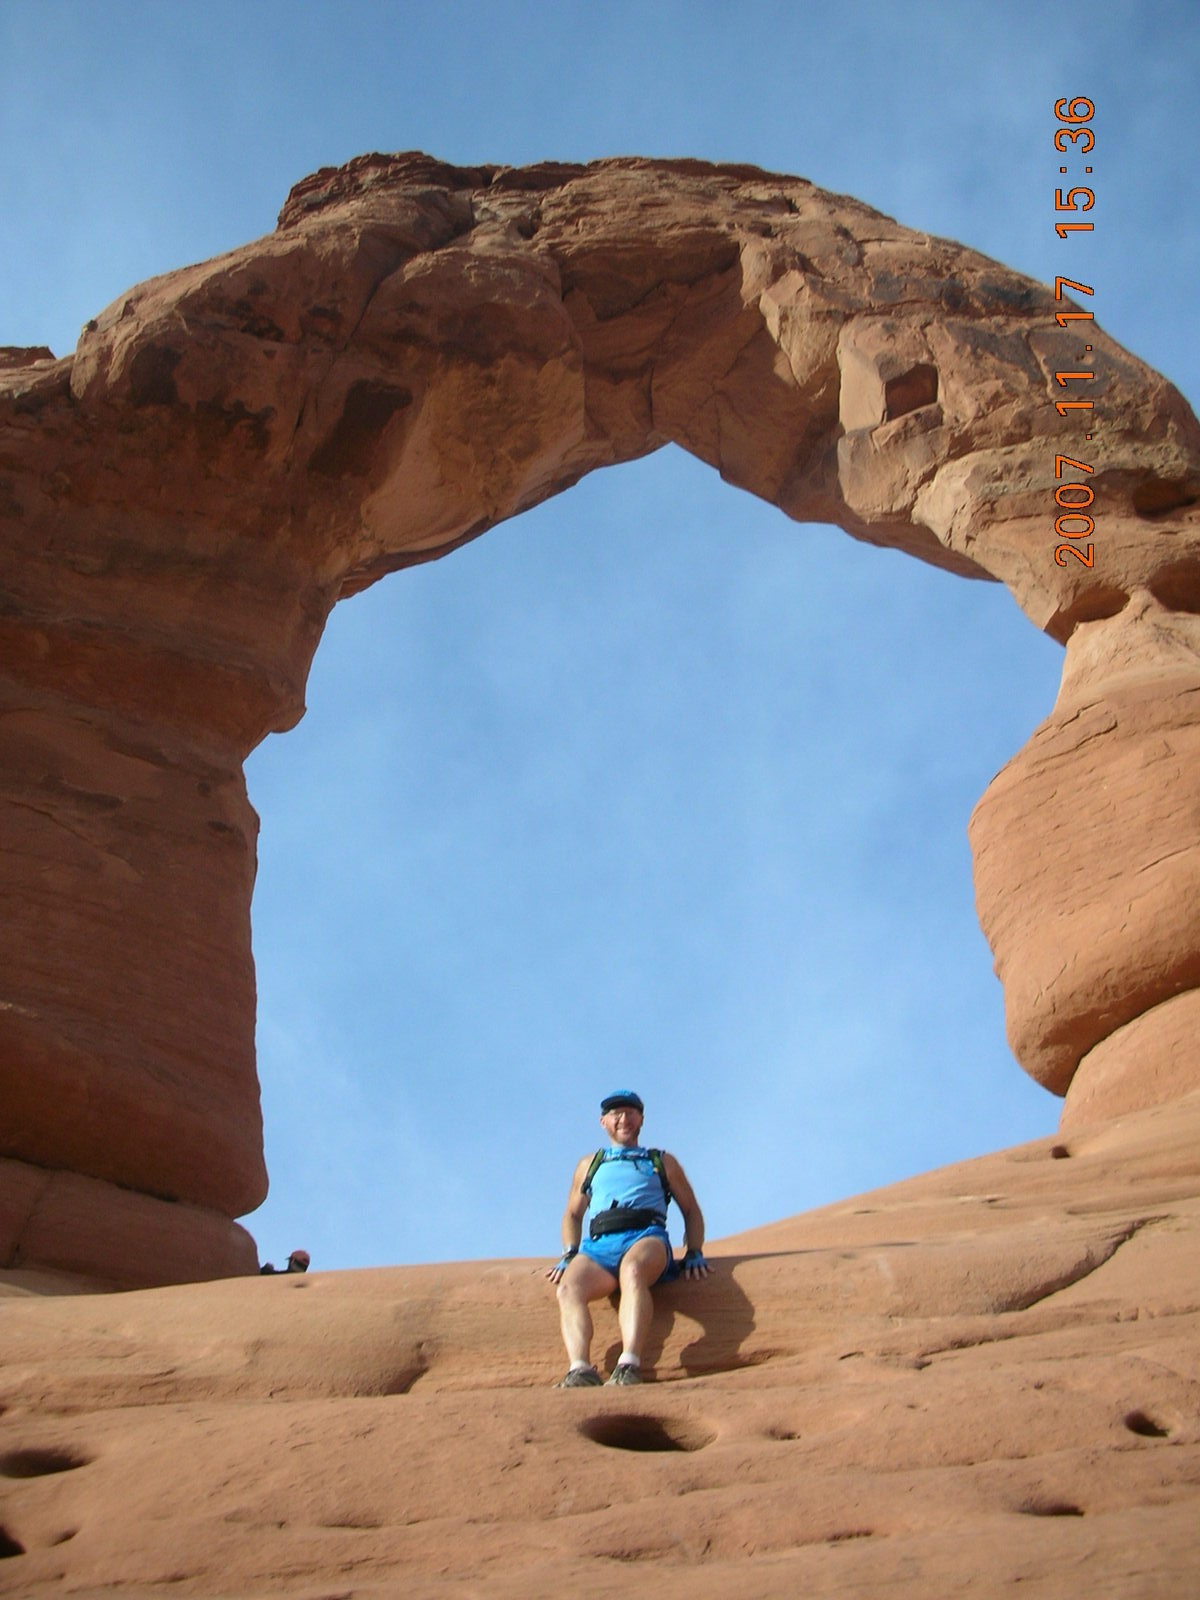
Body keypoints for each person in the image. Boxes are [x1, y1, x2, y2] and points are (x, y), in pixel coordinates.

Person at [547, 1089, 709, 1386]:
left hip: (646, 1237)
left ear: (641, 1119)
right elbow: (572, 1214)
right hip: (599, 1246)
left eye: (631, 1113)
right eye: (616, 1113)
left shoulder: (661, 1161)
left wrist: (695, 1252)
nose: (624, 1119)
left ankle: (629, 1365)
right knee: (569, 1289)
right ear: (603, 1122)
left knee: (632, 1271)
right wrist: (569, 1253)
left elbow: (691, 1209)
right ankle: (580, 1370)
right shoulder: (591, 1164)